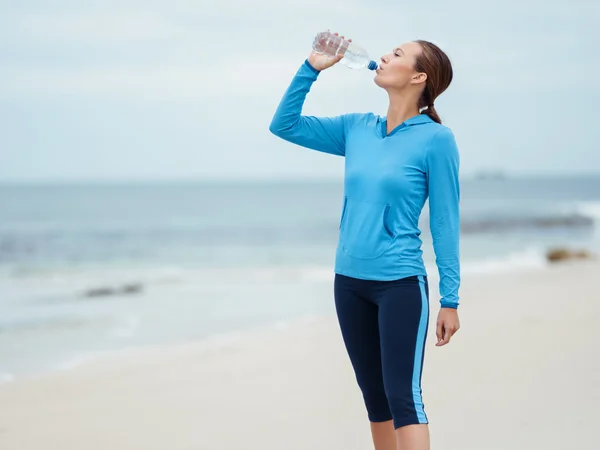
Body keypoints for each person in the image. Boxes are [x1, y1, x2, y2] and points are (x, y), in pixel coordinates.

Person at [269, 32, 461, 450]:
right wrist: (310, 69)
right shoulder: (357, 128)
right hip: (349, 282)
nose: (383, 57)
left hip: (400, 284)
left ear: (418, 77)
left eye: (396, 54)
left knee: (403, 398)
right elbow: (283, 125)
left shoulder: (436, 140)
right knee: (375, 399)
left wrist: (451, 299)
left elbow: (445, 222)